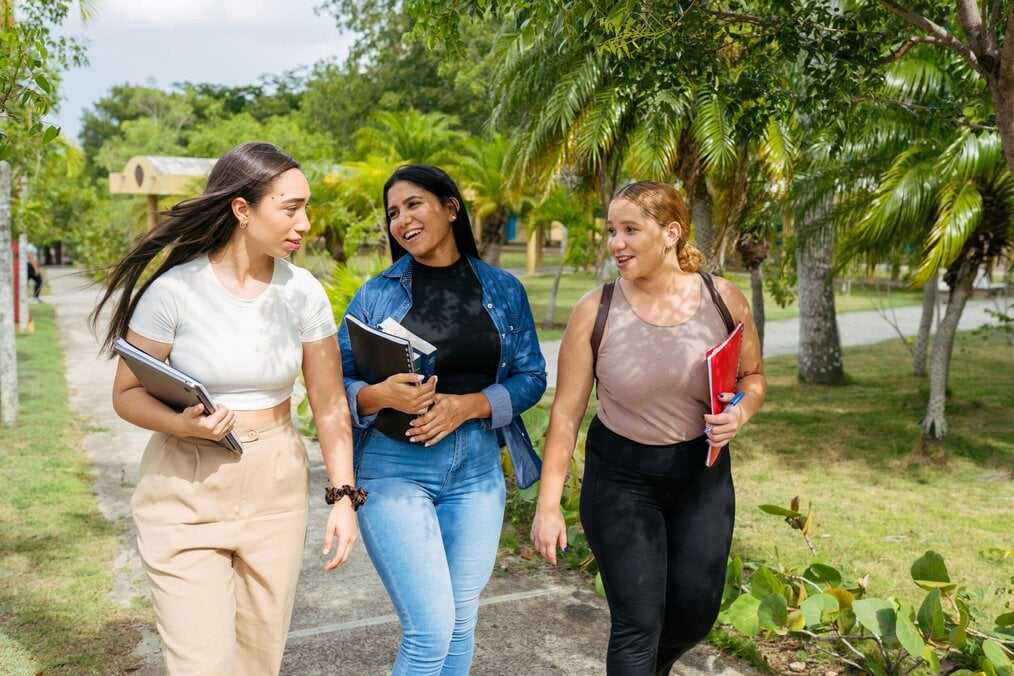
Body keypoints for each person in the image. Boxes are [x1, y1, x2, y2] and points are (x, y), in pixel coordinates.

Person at [91, 141, 360, 674]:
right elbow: (125, 394)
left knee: (258, 663)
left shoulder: (303, 292)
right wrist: (181, 423)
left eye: (306, 207)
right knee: (201, 664)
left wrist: (344, 496)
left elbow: (329, 405)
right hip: (184, 491)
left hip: (275, 491)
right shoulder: (174, 291)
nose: (305, 222)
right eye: (291, 207)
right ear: (242, 209)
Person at [531, 180, 766, 675]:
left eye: (630, 230)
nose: (616, 243)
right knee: (638, 624)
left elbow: (753, 377)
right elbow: (566, 414)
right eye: (612, 231)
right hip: (621, 480)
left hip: (702, 478)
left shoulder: (725, 300)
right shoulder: (596, 310)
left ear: (670, 233)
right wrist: (548, 505)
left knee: (694, 616)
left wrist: (739, 413)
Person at [338, 164, 547, 675]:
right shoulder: (376, 294)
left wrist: (470, 405)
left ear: (451, 208)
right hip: (393, 469)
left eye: (413, 204)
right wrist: (375, 395)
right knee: (430, 629)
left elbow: (532, 376)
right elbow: (334, 386)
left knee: (459, 622)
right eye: (392, 212)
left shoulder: (502, 288)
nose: (402, 219)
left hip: (476, 469)